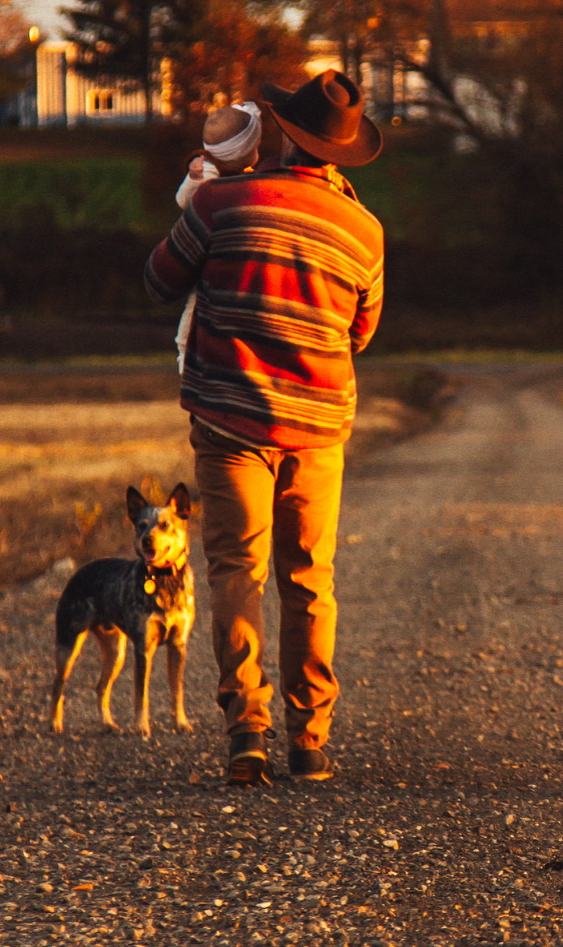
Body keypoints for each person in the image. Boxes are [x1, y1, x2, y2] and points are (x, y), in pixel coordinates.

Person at [144, 70, 385, 787]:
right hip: (316, 427)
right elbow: (361, 333)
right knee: (310, 580)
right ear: (343, 153)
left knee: (236, 572)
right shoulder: (364, 232)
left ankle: (246, 733)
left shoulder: (220, 202)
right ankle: (310, 740)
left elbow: (158, 280)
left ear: (282, 132)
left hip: (228, 420)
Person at [172, 101, 262, 372]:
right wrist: (196, 178)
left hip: (220, 258)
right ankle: (185, 361)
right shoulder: (210, 172)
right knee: (193, 317)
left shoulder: (245, 175)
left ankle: (188, 361)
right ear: (250, 150)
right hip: (212, 257)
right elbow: (184, 201)